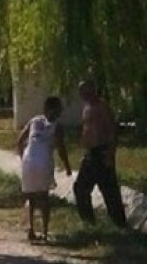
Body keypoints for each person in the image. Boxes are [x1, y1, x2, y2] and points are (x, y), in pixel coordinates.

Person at [72, 79, 127, 227]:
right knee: (80, 187)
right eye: (80, 90)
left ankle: (119, 223)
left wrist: (110, 154)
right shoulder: (86, 107)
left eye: (83, 90)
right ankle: (88, 221)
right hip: (90, 153)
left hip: (102, 151)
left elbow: (112, 130)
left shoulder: (101, 106)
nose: (81, 93)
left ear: (91, 90)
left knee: (109, 190)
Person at [17, 96, 72, 242]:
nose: (61, 111)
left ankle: (30, 229)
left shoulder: (34, 121)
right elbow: (61, 149)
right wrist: (67, 167)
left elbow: (19, 141)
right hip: (43, 162)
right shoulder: (57, 127)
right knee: (44, 198)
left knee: (30, 197)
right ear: (54, 110)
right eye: (59, 108)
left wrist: (22, 158)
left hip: (28, 160)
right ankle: (45, 233)